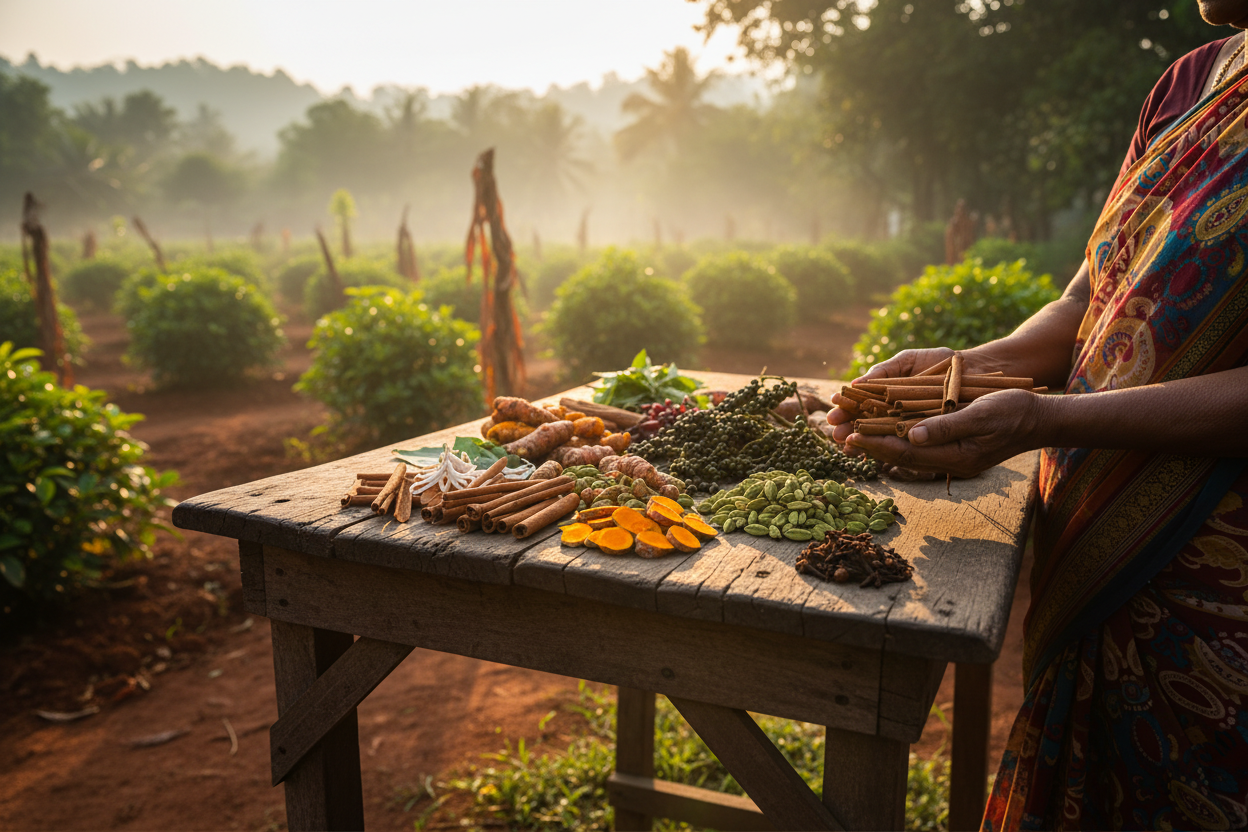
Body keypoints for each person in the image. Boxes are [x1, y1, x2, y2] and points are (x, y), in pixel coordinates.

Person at [827, 6, 1248, 829]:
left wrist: (1046, 422)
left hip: (1217, 583)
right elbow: (1090, 296)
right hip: (1093, 554)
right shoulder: (1191, 83)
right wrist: (964, 370)